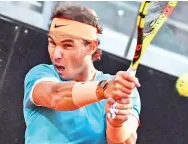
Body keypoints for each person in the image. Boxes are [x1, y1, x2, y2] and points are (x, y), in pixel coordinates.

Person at [23, 2, 141, 144]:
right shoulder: (40, 74)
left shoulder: (124, 90)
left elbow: (127, 141)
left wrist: (116, 124)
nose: (56, 55)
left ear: (91, 47)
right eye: (52, 43)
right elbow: (55, 95)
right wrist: (103, 89)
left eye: (67, 45)